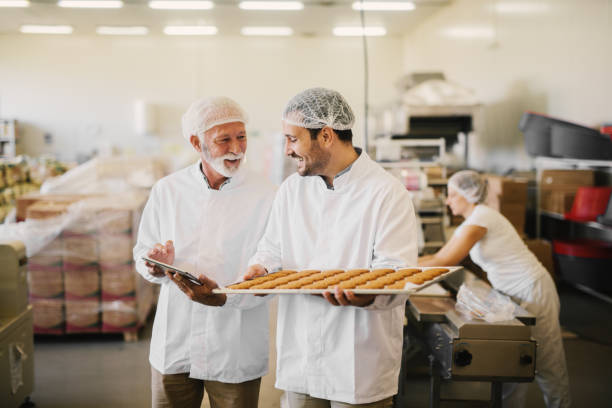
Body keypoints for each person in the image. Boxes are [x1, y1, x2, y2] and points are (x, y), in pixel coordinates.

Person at [245, 87, 419, 407]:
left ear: (325, 136)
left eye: (293, 139)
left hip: (358, 362)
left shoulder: (385, 192)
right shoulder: (291, 190)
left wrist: (367, 295)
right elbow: (272, 246)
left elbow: (397, 271)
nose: (286, 150)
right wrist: (262, 267)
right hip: (302, 355)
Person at [133, 96, 276, 408]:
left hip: (234, 345)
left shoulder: (267, 194)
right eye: (223, 139)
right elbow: (142, 250)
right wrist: (155, 265)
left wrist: (226, 296)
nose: (236, 148)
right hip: (175, 342)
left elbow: (274, 265)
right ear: (196, 142)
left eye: (241, 137)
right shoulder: (168, 190)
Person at [418, 170, 571, 408]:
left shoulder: (482, 218)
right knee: (512, 361)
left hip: (532, 289)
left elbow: (444, 261)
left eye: (451, 195)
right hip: (511, 294)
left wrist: (400, 266)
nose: (447, 201)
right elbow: (437, 256)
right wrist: (401, 263)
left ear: (468, 195)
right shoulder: (473, 220)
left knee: (548, 363)